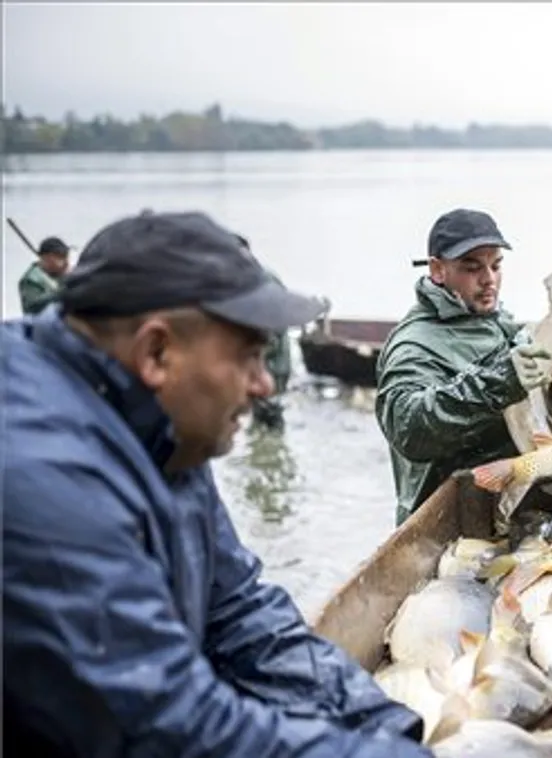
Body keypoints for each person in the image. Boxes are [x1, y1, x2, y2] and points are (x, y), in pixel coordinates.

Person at [2, 210, 433, 757]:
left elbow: (239, 615)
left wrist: (388, 728)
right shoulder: (42, 482)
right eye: (251, 356)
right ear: (157, 352)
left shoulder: (162, 430)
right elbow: (168, 726)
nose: (263, 385)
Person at [375, 208, 552, 525]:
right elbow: (409, 428)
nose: (488, 280)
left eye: (496, 266)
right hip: (451, 520)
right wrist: (499, 381)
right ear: (438, 270)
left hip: (508, 500)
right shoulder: (413, 344)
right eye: (472, 268)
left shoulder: (496, 321)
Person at [234, 234, 298, 432]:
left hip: (274, 363)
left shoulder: (263, 280)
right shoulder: (250, 278)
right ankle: (264, 454)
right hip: (267, 361)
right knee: (260, 412)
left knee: (270, 413)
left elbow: (274, 330)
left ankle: (271, 452)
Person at [18, 235, 71, 315]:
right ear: (46, 257)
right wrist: (63, 293)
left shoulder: (59, 274)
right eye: (61, 257)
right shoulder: (31, 280)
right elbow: (34, 307)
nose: (66, 262)